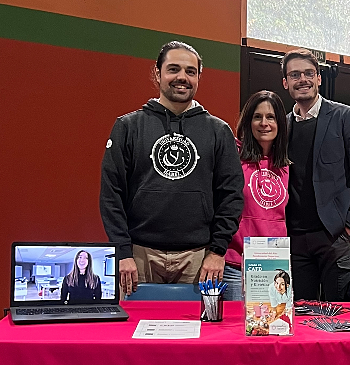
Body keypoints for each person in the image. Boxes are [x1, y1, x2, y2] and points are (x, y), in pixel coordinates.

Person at [100, 41, 244, 295]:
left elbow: (231, 196)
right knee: (133, 332)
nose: (182, 77)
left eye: (190, 71)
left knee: (198, 333)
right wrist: (121, 252)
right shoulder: (128, 127)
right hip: (138, 257)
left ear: (199, 76)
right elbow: (111, 195)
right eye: (173, 69)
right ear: (157, 74)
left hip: (199, 259)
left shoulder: (218, 132)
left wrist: (218, 251)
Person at [281, 49, 350, 301]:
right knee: (301, 317)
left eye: (308, 73)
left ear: (319, 78)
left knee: (339, 319)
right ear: (285, 82)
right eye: (294, 74)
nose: (302, 79)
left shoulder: (346, 117)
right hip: (293, 240)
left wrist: (349, 227)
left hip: (335, 238)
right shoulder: (283, 126)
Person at [223, 91, 291, 301]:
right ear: (248, 122)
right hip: (236, 266)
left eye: (270, 117)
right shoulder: (233, 158)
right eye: (257, 117)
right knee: (235, 331)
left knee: (271, 330)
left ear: (280, 123)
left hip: (274, 268)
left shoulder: (286, 166)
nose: (264, 123)